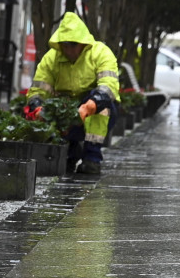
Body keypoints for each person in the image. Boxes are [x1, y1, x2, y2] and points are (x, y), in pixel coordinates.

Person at [26, 13, 119, 176]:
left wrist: (91, 104)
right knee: (54, 109)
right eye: (65, 45)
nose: (68, 50)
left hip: (96, 111)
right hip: (67, 110)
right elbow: (38, 90)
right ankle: (69, 153)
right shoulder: (51, 59)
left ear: (83, 44)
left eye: (73, 45)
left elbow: (108, 87)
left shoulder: (101, 53)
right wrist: (37, 107)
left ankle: (92, 158)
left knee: (101, 108)